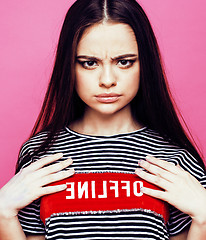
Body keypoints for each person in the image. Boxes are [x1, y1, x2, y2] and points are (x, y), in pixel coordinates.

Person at [0, 0, 206, 239]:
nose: (107, 80)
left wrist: (203, 218)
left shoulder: (174, 158)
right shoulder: (40, 155)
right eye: (89, 63)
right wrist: (4, 213)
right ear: (69, 66)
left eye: (124, 61)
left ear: (145, 64)